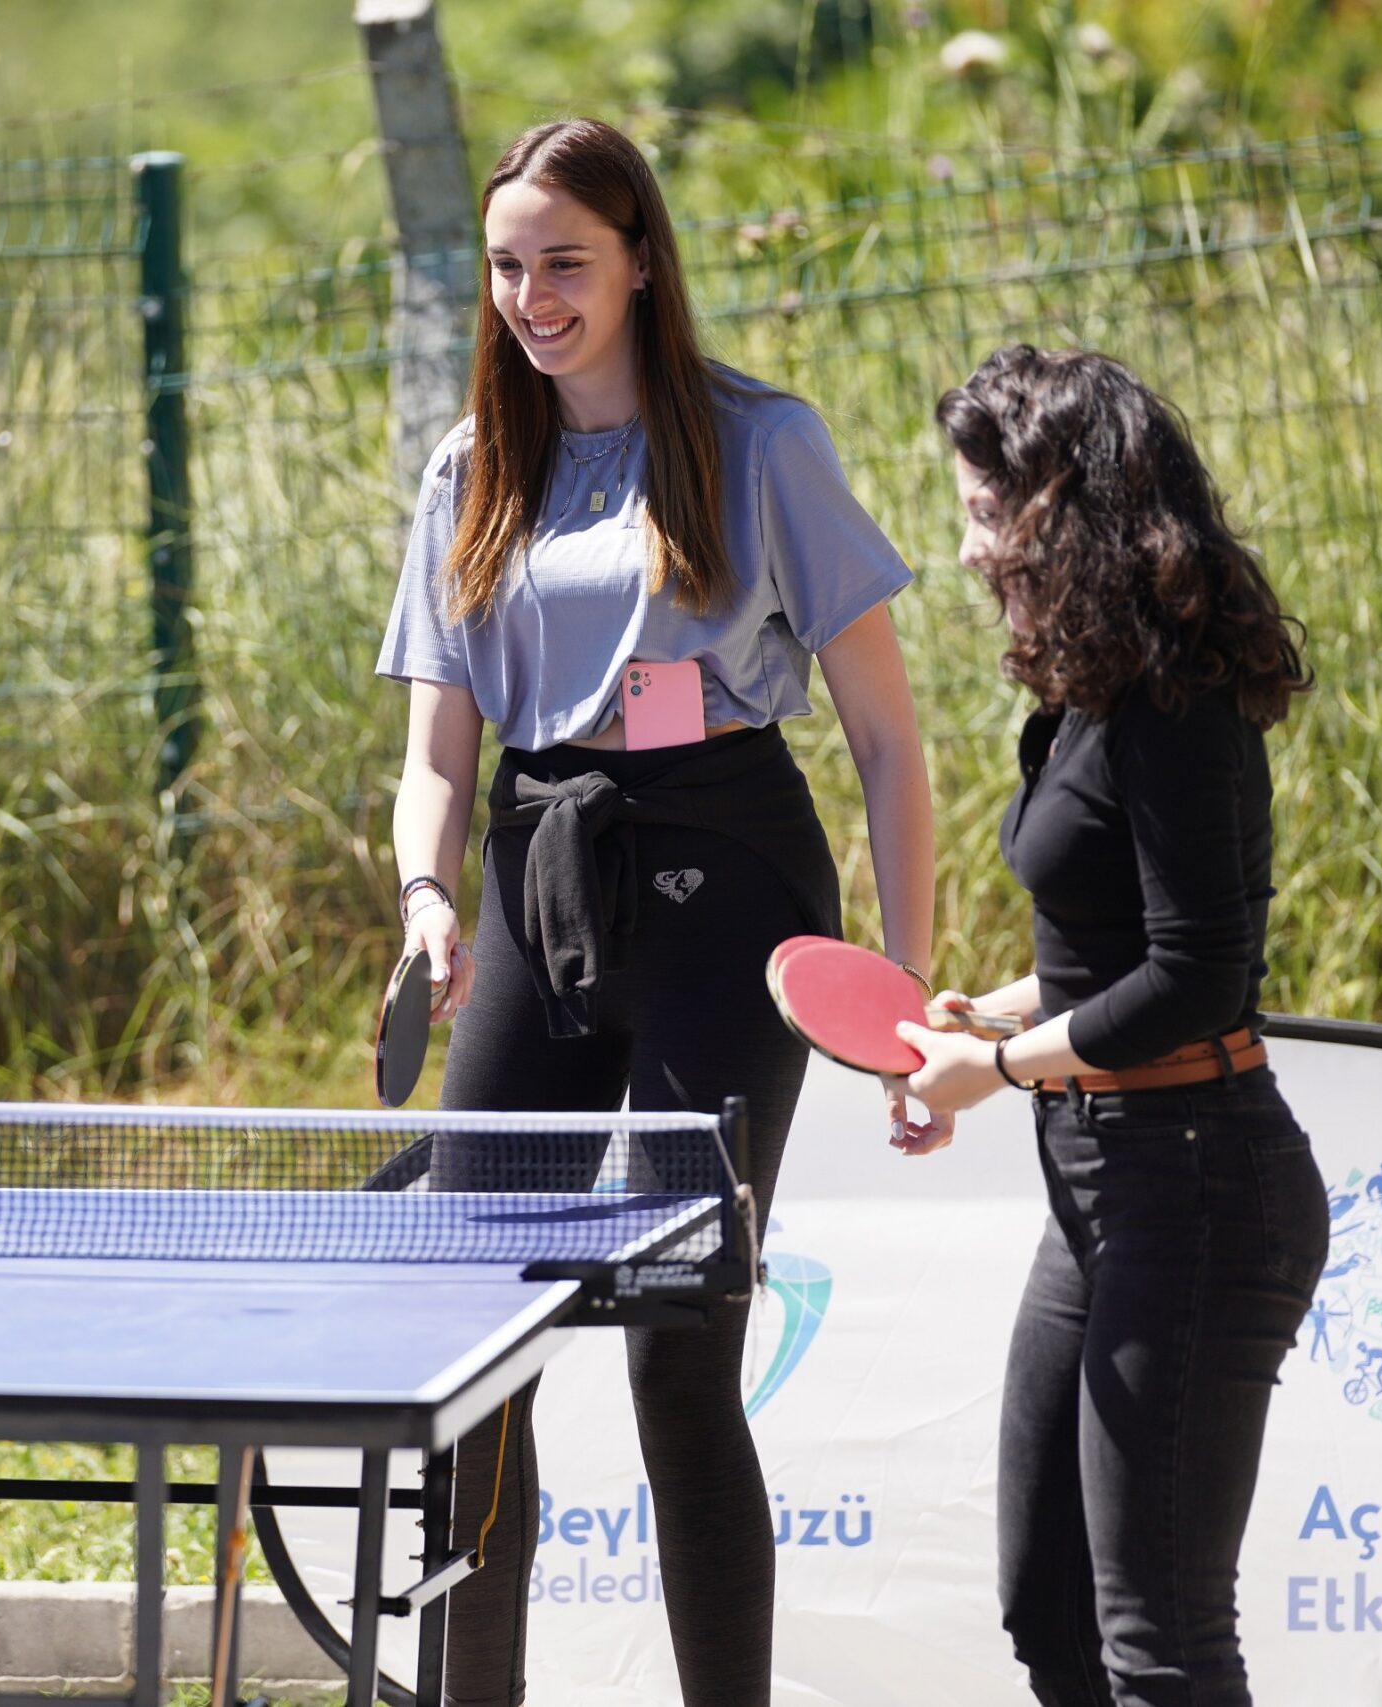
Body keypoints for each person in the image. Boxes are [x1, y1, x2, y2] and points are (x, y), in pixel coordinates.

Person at [377, 118, 938, 1707]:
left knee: (679, 1348)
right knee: (475, 1356)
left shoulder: (763, 444)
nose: (533, 297)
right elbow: (434, 751)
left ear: (640, 261)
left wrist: (902, 983)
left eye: (565, 262)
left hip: (729, 879)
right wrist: (426, 893)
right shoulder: (469, 469)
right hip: (535, 869)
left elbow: (890, 738)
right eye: (507, 267)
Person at [901, 345, 1325, 1707]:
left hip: (1197, 1185)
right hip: (1106, 1188)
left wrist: (1001, 1068)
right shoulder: (1084, 694)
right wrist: (995, 1013)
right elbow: (1112, 953)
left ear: (1057, 508)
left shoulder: (1175, 706)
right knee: (1054, 1609)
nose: (965, 552)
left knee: (1163, 1640)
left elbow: (1200, 974)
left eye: (982, 512)